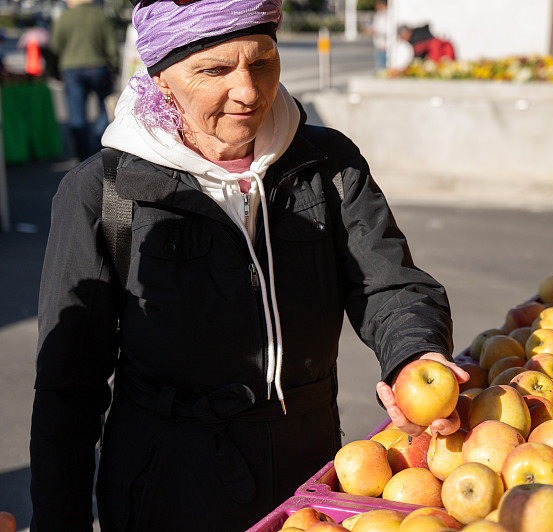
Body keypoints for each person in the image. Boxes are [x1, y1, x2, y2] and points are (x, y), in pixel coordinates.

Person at [30, 0, 463, 530]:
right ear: (162, 77)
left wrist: (414, 353)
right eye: (214, 70)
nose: (249, 92)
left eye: (262, 63)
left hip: (310, 475)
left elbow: (388, 284)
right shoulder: (103, 192)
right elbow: (67, 386)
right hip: (166, 488)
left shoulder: (326, 163)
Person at [50, 0, 119, 160]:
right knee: (104, 107)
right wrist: (114, 66)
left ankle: (82, 155)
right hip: (98, 66)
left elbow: (55, 46)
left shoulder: (65, 17)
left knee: (76, 113)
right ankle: (98, 141)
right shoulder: (100, 15)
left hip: (71, 68)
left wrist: (54, 70)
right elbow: (111, 45)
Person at [366, 0, 388, 70]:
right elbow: (375, 26)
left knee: (384, 67)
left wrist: (376, 31)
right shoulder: (378, 15)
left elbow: (388, 30)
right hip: (378, 45)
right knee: (379, 67)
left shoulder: (389, 15)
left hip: (385, 45)